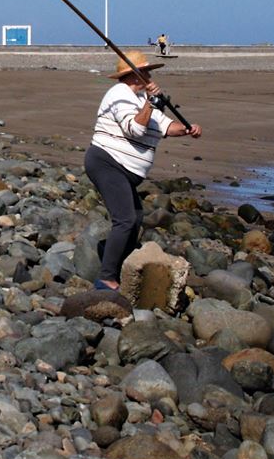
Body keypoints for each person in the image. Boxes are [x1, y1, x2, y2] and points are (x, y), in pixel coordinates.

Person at [86, 49, 202, 291]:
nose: (150, 78)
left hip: (125, 169)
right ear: (133, 75)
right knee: (125, 219)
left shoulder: (141, 101)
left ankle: (119, 266)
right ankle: (106, 279)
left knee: (136, 218)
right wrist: (151, 103)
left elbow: (167, 126)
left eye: (149, 73)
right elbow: (134, 129)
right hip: (107, 161)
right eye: (146, 73)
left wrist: (188, 129)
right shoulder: (118, 94)